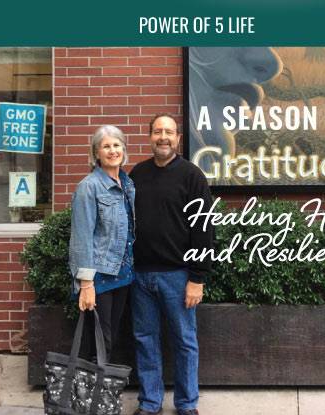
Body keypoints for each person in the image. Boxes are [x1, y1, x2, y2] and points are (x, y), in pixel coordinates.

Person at [129, 114, 214, 415]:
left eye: (168, 132)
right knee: (144, 339)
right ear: (149, 137)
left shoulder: (191, 176)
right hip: (140, 276)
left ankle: (187, 404)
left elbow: (203, 227)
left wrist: (198, 277)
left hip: (178, 276)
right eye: (157, 132)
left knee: (184, 342)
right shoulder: (137, 174)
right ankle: (150, 403)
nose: (162, 137)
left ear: (178, 138)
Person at [68, 125, 135, 362]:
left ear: (123, 150)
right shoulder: (89, 186)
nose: (112, 150)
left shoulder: (127, 184)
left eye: (117, 145)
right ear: (96, 153)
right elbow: (81, 238)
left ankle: (101, 392)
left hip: (123, 274)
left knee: (112, 338)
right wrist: (86, 284)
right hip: (99, 277)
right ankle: (95, 397)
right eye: (106, 146)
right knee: (99, 340)